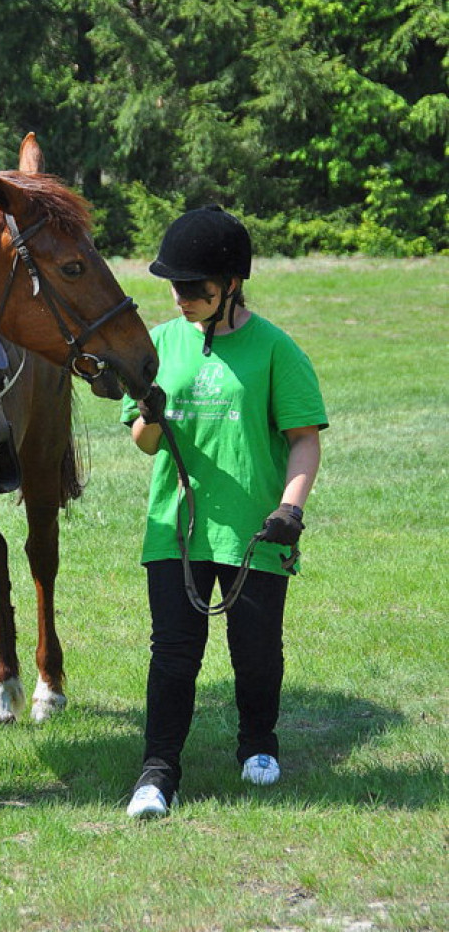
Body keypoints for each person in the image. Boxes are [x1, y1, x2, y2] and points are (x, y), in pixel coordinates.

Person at [121, 205, 328, 819]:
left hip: (255, 531)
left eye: (196, 288)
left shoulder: (276, 350)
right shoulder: (160, 344)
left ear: (233, 284)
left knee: (256, 651)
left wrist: (290, 510)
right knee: (172, 654)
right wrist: (149, 416)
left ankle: (258, 744)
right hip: (177, 530)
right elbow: (144, 442)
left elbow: (303, 438)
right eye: (175, 286)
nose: (182, 298)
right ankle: (158, 771)